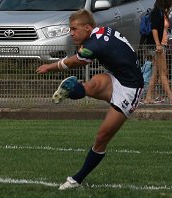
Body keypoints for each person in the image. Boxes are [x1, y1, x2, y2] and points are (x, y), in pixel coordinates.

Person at [36, 9, 143, 190]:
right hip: (116, 76)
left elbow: (74, 62)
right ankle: (72, 89)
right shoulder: (99, 32)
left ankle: (76, 180)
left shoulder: (94, 45)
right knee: (91, 86)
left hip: (130, 89)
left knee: (102, 138)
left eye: (74, 29)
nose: (71, 33)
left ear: (87, 27)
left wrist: (50, 67)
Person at [143, 0, 172, 104]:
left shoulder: (163, 12)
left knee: (156, 73)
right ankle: (171, 98)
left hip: (161, 45)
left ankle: (148, 97)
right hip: (158, 47)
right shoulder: (157, 12)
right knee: (163, 72)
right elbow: (154, 29)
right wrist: (158, 44)